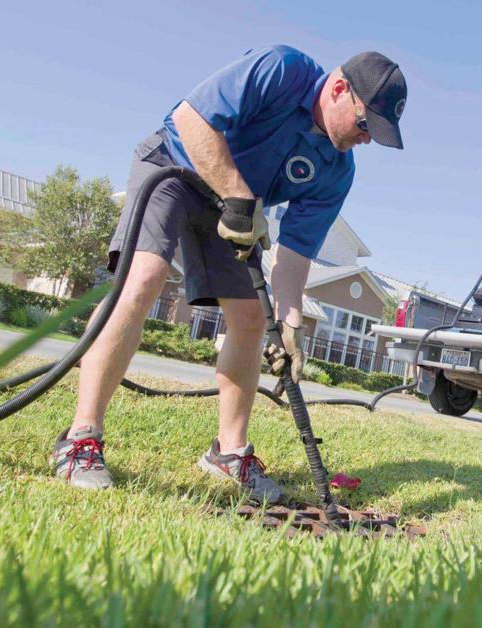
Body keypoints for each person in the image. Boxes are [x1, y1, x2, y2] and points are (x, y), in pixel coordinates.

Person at [50, 45, 407, 503]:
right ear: (339, 89)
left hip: (233, 210)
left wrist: (291, 324)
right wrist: (239, 195)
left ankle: (229, 453)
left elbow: (295, 255)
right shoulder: (282, 69)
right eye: (365, 124)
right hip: (174, 167)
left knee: (253, 318)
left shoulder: (336, 171)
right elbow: (191, 119)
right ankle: (81, 438)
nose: (367, 139)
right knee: (144, 278)